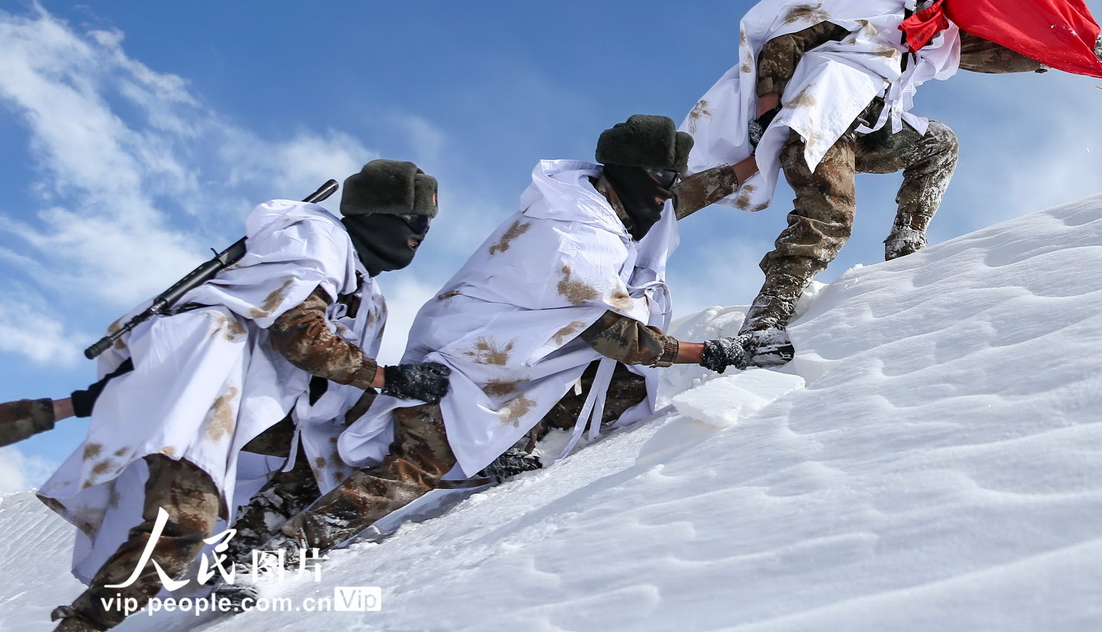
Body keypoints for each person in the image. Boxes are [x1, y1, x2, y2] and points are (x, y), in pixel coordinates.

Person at [237, 115, 792, 563]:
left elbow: (686, 194)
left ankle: (509, 450)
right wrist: (713, 354)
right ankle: (278, 553)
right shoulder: (573, 234)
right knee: (414, 460)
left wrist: (758, 157)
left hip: (510, 360)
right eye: (661, 182)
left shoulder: (609, 200)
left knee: (610, 390)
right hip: (468, 359)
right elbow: (614, 335)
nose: (668, 195)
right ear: (631, 177)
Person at [1, 160, 447, 632]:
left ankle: (237, 562)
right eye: (410, 217)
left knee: (331, 460)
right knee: (180, 527)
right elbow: (298, 333)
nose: (419, 234)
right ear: (373, 215)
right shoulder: (317, 241)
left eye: (427, 223)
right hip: (205, 397)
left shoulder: (363, 288)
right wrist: (389, 379)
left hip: (251, 411)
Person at [683, 0, 1047, 333]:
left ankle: (907, 240)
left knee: (940, 144)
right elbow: (790, 37)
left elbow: (973, 49)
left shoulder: (923, 15)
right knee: (829, 215)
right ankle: (766, 319)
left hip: (871, 128)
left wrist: (1052, 52)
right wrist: (766, 105)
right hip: (822, 118)